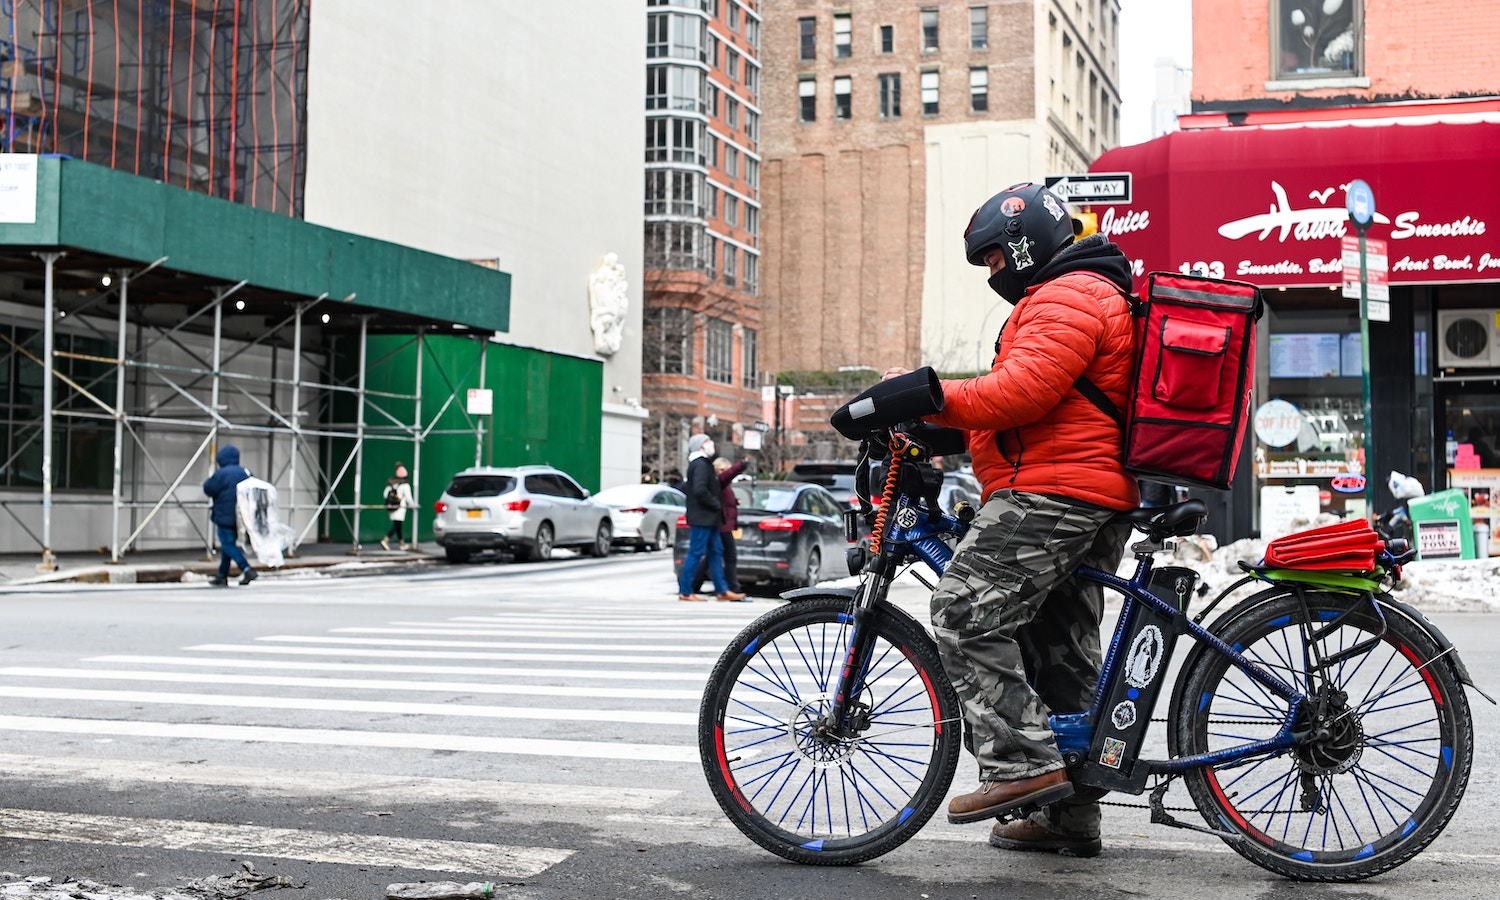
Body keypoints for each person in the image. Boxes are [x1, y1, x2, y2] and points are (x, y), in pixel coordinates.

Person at [882, 182, 1139, 858]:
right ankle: (1069, 818)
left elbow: (1021, 391)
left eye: (995, 258)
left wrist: (929, 396)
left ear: (1026, 245)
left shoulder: (1069, 294)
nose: (995, 274)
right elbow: (1046, 406)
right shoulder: (1078, 291)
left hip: (1057, 494)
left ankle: (1021, 769)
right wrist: (942, 429)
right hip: (1081, 487)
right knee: (1060, 657)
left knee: (966, 612)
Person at [677, 434, 745, 602]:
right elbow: (700, 490)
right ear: (701, 446)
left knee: (716, 551)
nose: (711, 444)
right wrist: (716, 504)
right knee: (696, 552)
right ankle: (686, 591)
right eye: (707, 441)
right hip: (703, 517)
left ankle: (722, 590)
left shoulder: (703, 464)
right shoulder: (700, 465)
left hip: (710, 517)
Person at [202, 444, 257, 586]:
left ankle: (246, 569)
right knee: (229, 545)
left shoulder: (222, 474)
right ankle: (222, 575)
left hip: (225, 515)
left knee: (227, 544)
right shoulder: (246, 472)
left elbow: (208, 488)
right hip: (242, 516)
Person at [695, 456, 749, 597]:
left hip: (724, 524)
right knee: (730, 557)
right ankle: (733, 587)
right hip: (723, 525)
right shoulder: (719, 481)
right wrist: (741, 464)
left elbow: (724, 499)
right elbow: (728, 476)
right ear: (720, 470)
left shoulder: (721, 485)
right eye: (726, 469)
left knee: (711, 556)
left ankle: (695, 583)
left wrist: (734, 502)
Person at [381, 463, 417, 551]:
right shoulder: (405, 485)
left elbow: (385, 494)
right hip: (400, 508)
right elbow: (409, 498)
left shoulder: (391, 484)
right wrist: (413, 506)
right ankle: (386, 540)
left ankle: (402, 544)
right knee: (397, 525)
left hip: (391, 507)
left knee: (398, 526)